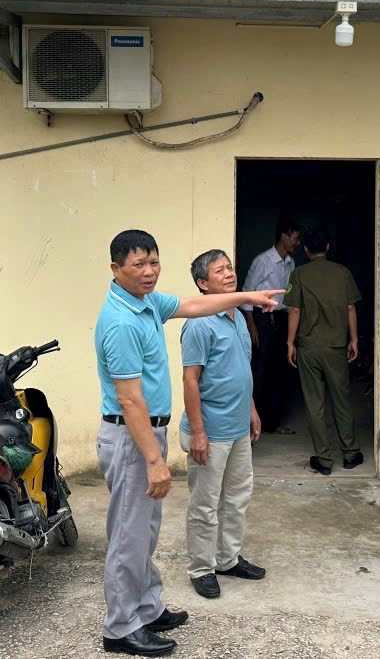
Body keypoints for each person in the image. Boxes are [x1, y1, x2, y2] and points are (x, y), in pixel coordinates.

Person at [94, 230, 283, 657]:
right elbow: (129, 399)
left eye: (154, 262)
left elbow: (196, 305)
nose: (149, 271)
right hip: (131, 436)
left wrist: (246, 296)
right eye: (138, 265)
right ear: (116, 269)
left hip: (147, 432)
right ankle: (121, 627)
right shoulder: (121, 322)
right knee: (129, 535)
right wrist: (155, 459)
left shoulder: (147, 304)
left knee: (145, 531)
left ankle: (146, 606)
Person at [179, 249, 267, 600]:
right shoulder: (199, 324)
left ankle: (227, 558)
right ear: (203, 284)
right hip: (210, 431)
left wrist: (252, 409)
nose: (229, 274)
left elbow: (241, 371)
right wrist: (198, 431)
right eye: (219, 271)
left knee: (237, 498)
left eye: (230, 267)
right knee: (205, 502)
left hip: (237, 428)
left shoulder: (238, 318)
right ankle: (201, 568)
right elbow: (189, 381)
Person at [284, 230, 363, 476]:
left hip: (308, 347)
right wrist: (354, 339)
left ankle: (324, 459)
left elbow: (294, 310)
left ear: (305, 250)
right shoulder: (343, 273)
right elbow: (350, 307)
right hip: (336, 347)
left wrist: (290, 342)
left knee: (314, 402)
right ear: (328, 246)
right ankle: (350, 453)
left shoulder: (298, 274)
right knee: (341, 398)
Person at [241, 218, 301, 432]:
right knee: (260, 370)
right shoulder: (263, 261)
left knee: (279, 371)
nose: (297, 243)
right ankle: (251, 422)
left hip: (280, 319)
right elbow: (247, 292)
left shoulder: (290, 263)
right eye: (295, 238)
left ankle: (273, 423)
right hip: (261, 318)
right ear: (284, 236)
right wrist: (252, 325)